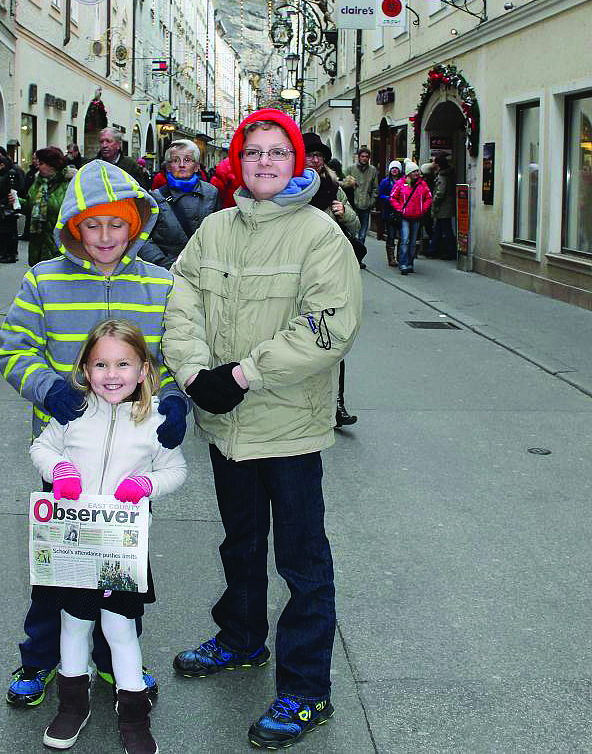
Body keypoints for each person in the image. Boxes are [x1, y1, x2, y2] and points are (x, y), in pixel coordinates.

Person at [162, 108, 362, 749]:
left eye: (278, 152)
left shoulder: (319, 235)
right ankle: (242, 638)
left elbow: (329, 326)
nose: (265, 163)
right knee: (240, 543)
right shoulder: (215, 229)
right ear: (237, 163)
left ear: (297, 161)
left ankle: (306, 691)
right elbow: (182, 300)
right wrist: (194, 374)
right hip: (224, 424)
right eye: (254, 153)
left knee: (302, 561)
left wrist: (243, 374)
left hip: (289, 428)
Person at [0, 159, 189, 711]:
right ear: (74, 227)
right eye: (93, 225)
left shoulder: (158, 284)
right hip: (68, 459)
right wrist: (47, 390)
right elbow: (12, 349)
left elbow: (174, 358)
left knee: (122, 566)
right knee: (58, 566)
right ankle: (40, 657)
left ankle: (117, 657)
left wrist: (174, 403)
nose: (105, 237)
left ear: (136, 226)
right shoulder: (44, 280)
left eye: (117, 225)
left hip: (132, 460)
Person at [30, 319, 186, 753]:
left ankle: (133, 714)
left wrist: (147, 485)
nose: (111, 374)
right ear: (84, 369)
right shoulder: (73, 413)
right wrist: (58, 469)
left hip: (122, 551)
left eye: (123, 364)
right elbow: (41, 448)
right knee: (73, 626)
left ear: (143, 371)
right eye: (100, 364)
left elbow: (176, 470)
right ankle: (71, 708)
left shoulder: (155, 420)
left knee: (121, 631)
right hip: (74, 546)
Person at [303, 132, 359, 429]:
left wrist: (345, 212)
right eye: (310, 155)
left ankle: (336, 403)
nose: (316, 160)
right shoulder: (287, 188)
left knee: (334, 335)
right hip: (297, 271)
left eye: (319, 156)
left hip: (329, 270)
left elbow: (357, 225)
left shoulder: (334, 188)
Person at [140, 139, 219, 270]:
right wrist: (162, 263)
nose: (182, 165)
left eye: (187, 160)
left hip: (203, 268)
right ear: (168, 166)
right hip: (167, 270)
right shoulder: (155, 197)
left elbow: (218, 233)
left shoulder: (211, 193)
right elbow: (143, 237)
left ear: (197, 166)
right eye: (175, 160)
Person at [15, 147, 73, 267]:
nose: (38, 166)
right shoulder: (39, 182)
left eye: (41, 163)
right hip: (38, 243)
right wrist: (18, 202)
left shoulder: (69, 184)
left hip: (59, 244)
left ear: (53, 165)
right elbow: (32, 208)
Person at [390, 160, 433, 275]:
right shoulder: (400, 183)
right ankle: (403, 263)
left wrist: (422, 209)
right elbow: (393, 197)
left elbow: (429, 198)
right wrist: (400, 209)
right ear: (408, 173)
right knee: (405, 239)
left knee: (413, 241)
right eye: (414, 171)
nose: (417, 173)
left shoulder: (422, 184)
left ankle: (410, 263)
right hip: (405, 216)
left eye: (417, 171)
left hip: (417, 216)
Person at [342, 146, 379, 266]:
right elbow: (343, 185)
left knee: (363, 233)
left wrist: (372, 201)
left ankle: (359, 259)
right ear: (359, 157)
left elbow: (375, 188)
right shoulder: (351, 169)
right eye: (362, 156)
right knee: (352, 233)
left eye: (367, 156)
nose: (364, 158)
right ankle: (351, 257)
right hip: (353, 204)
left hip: (365, 204)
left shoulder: (373, 170)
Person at [0, 148, 23, 264]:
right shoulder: (2, 175)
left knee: (9, 232)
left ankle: (11, 254)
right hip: (2, 208)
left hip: (8, 209)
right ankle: (4, 252)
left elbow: (11, 192)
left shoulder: (10, 175)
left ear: (2, 165)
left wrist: (6, 204)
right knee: (4, 232)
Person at [426, 152, 457, 260]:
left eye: (434, 161)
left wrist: (434, 202)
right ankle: (432, 249)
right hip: (445, 207)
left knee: (446, 229)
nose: (432, 163)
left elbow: (440, 192)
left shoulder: (442, 176)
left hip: (443, 207)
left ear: (438, 164)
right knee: (439, 229)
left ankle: (451, 251)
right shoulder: (444, 174)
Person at [378, 160, 403, 268]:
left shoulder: (404, 181)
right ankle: (391, 258)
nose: (394, 170)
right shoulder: (385, 182)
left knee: (402, 236)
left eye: (396, 168)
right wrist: (389, 198)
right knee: (391, 235)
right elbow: (380, 195)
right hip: (389, 212)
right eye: (393, 168)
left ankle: (400, 257)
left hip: (401, 212)